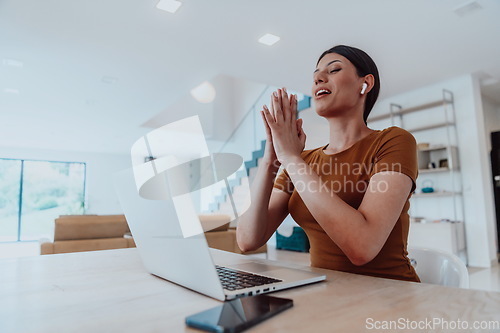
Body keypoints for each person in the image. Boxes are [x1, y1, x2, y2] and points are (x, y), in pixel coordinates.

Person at [236, 45, 420, 282]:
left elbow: (362, 247)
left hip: (391, 295)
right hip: (327, 296)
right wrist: (271, 158)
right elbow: (248, 240)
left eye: (333, 70)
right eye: (315, 76)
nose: (318, 78)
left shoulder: (393, 141)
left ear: (365, 84)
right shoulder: (303, 161)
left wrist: (291, 159)